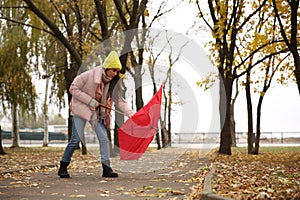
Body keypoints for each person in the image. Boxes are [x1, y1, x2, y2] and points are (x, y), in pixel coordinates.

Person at [58, 51, 134, 178]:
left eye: (117, 71)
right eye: (113, 70)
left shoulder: (113, 82)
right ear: (107, 67)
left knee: (104, 139)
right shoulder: (89, 75)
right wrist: (90, 100)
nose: (115, 74)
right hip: (80, 109)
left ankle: (106, 169)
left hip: (97, 113)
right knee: (75, 139)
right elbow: (73, 88)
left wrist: (130, 113)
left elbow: (120, 100)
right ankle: (63, 167)